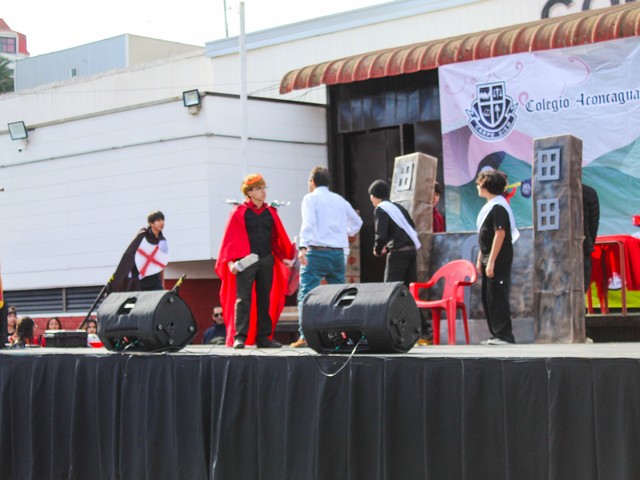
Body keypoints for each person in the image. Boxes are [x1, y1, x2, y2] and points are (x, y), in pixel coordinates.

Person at [215, 173, 294, 349]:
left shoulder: (270, 212)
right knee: (243, 299)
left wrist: (284, 259)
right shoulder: (239, 213)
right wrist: (231, 263)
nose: (263, 191)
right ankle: (240, 337)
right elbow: (230, 241)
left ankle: (264, 338)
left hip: (266, 259)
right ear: (249, 192)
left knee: (265, 299)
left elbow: (275, 240)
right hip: (246, 261)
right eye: (258, 188)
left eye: (264, 187)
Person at [291, 166, 363, 348]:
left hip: (316, 251)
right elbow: (357, 222)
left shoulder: (310, 198)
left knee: (306, 294)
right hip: (338, 253)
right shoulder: (339, 200)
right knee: (339, 295)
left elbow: (308, 223)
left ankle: (305, 335)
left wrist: (302, 247)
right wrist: (348, 232)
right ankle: (338, 334)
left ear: (312, 182)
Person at [475, 170, 520, 345]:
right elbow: (485, 236)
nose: (477, 187)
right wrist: (481, 259)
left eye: (480, 184)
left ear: (487, 187)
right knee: (489, 296)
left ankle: (505, 335)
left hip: (498, 257)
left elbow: (499, 234)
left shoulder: (499, 207)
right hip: (487, 255)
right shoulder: (490, 206)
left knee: (498, 295)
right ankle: (496, 333)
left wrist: (491, 261)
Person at [368, 179, 420, 285]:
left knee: (391, 288)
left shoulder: (381, 208)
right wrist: (387, 248)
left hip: (398, 253)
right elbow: (410, 227)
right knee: (409, 289)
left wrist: (378, 250)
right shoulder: (399, 207)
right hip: (412, 251)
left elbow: (381, 235)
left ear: (374, 195)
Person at [110, 211, 169, 292]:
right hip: (140, 279)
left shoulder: (162, 241)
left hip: (155, 279)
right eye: (158, 220)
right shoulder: (143, 237)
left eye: (163, 220)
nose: (162, 223)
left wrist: (162, 284)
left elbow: (161, 264)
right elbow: (129, 255)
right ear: (151, 223)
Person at [583, 184, 600, 293]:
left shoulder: (546, 190)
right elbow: (593, 225)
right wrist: (589, 242)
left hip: (551, 249)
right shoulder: (588, 192)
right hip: (583, 246)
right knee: (581, 288)